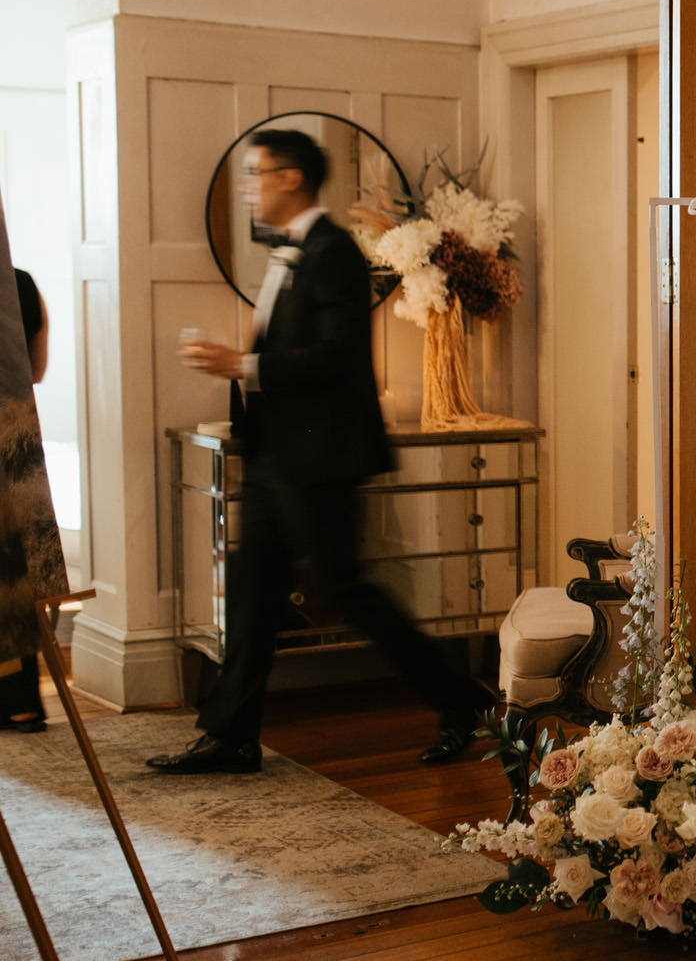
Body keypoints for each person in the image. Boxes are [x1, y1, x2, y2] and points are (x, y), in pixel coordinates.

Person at [154, 128, 491, 774]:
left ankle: (462, 701)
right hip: (278, 455)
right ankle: (233, 735)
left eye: (255, 174)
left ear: (290, 178)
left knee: (347, 590)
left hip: (323, 458)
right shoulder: (292, 251)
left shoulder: (333, 251)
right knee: (253, 589)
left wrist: (241, 364)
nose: (247, 187)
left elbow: (335, 357)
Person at [3, 266, 49, 732]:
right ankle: (22, 702)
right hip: (14, 441)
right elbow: (35, 369)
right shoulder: (21, 283)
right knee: (15, 571)